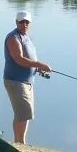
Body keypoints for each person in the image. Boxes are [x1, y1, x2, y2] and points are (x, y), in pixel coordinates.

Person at [3, 11, 51, 144]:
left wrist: (37, 69)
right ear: (16, 22)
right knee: (23, 113)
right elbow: (19, 59)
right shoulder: (13, 37)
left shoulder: (26, 37)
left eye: (27, 22)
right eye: (21, 22)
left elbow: (29, 59)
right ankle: (20, 143)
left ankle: (19, 141)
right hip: (15, 81)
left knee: (24, 113)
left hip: (27, 82)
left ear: (30, 23)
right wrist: (40, 64)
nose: (24, 24)